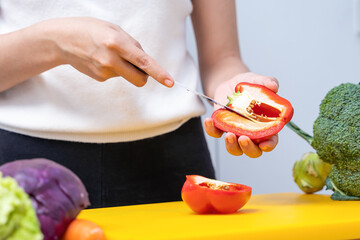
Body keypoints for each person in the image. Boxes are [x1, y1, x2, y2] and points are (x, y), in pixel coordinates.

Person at [0, 0, 279, 208]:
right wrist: (54, 43)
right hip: (23, 172)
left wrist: (234, 89)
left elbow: (223, 58)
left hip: (173, 167)